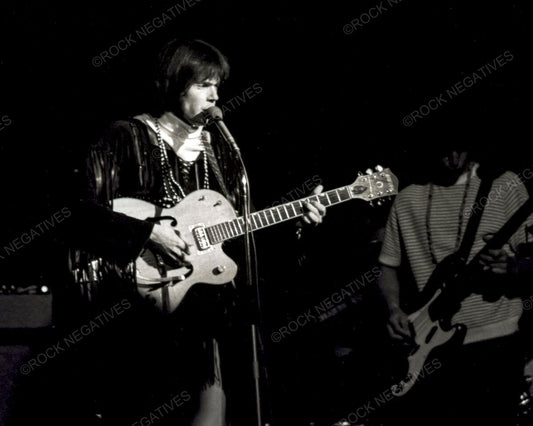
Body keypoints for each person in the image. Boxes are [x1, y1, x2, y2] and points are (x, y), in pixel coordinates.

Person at [9, 39, 326, 426]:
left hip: (203, 317)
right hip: (133, 316)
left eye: (217, 85)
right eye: (203, 84)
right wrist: (147, 234)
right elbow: (73, 210)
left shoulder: (220, 150)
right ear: (175, 84)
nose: (214, 95)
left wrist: (297, 223)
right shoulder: (126, 136)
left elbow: (236, 239)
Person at [376, 142, 533, 425]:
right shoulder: (408, 198)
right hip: (428, 351)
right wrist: (393, 309)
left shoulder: (505, 185)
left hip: (496, 345)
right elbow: (387, 266)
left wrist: (515, 267)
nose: (452, 155)